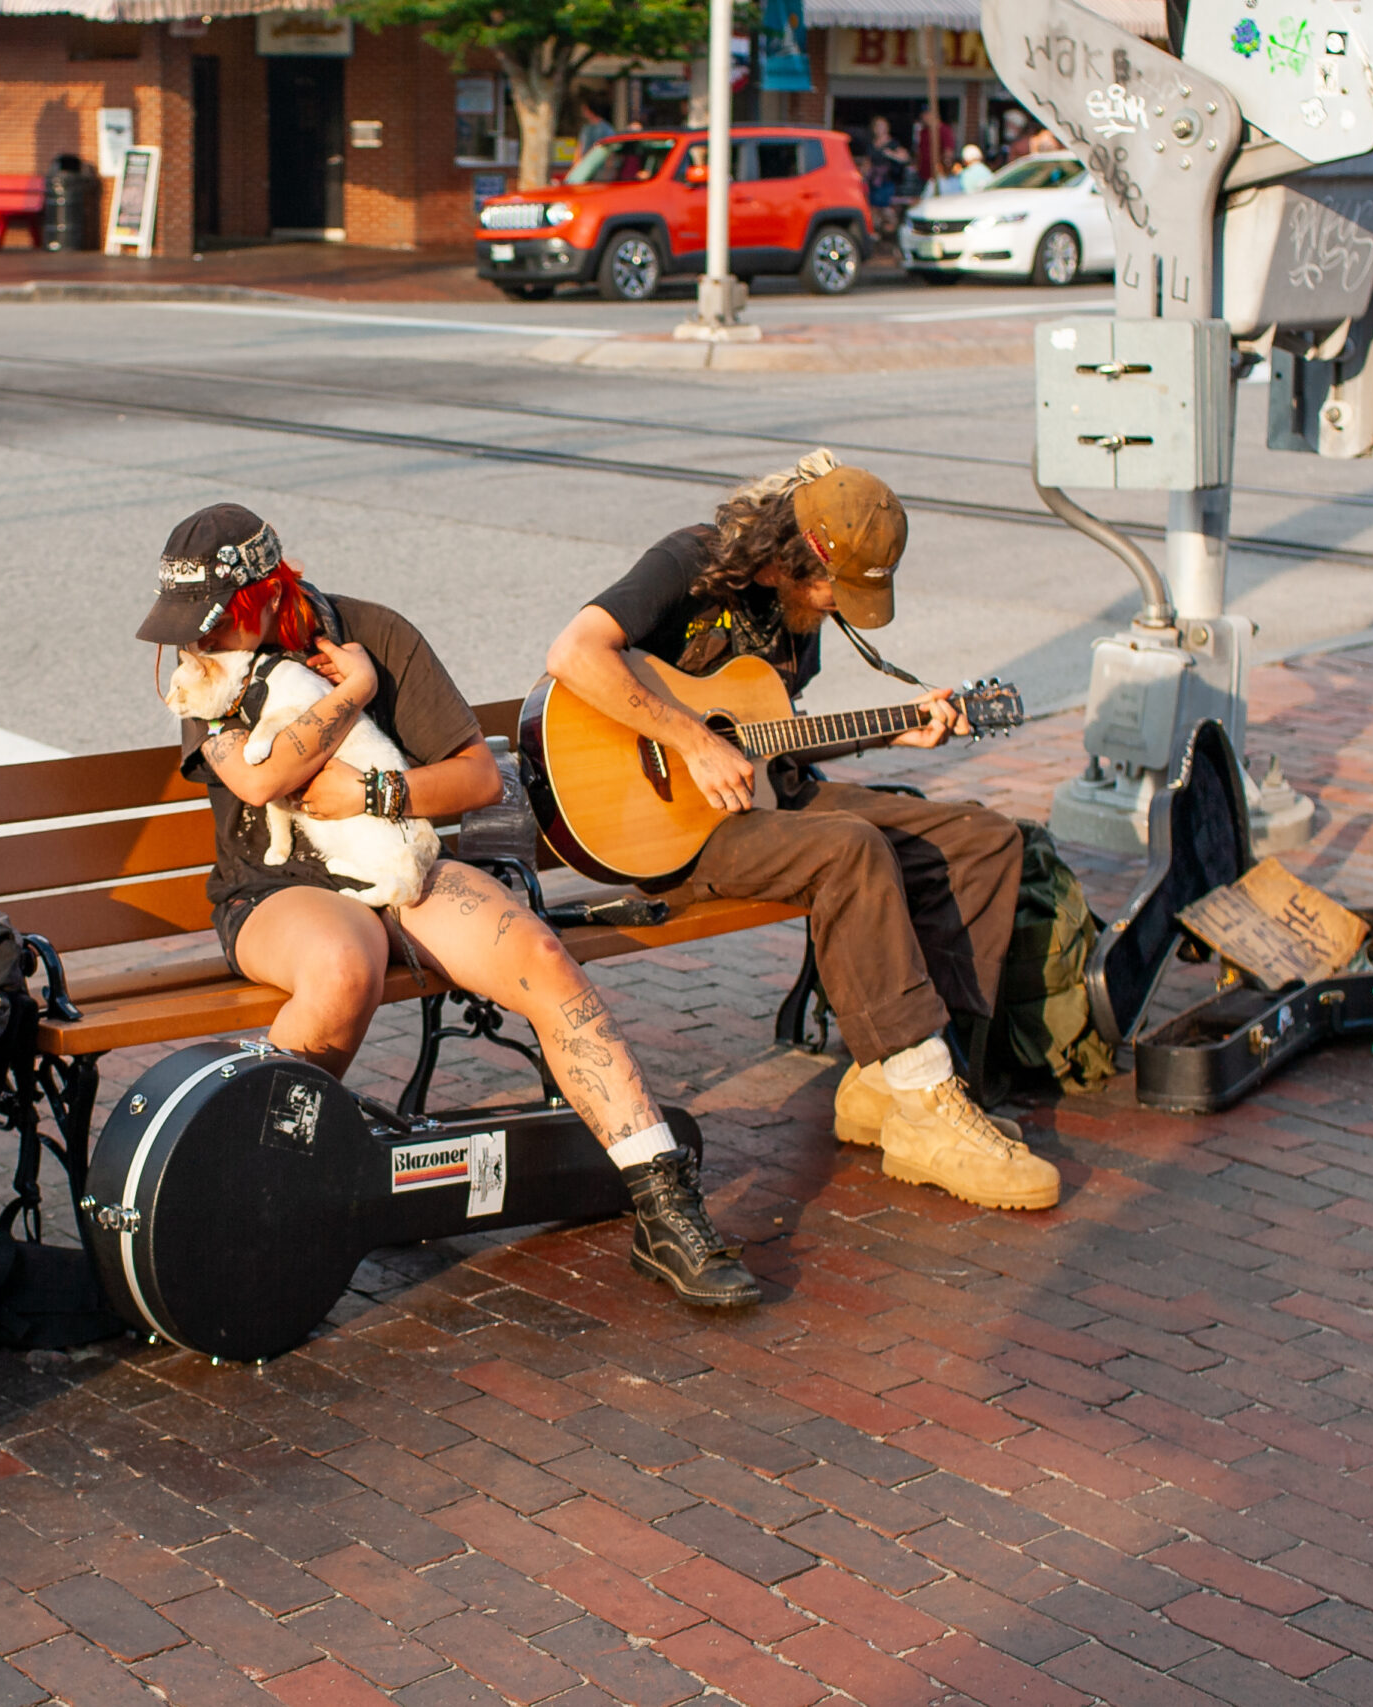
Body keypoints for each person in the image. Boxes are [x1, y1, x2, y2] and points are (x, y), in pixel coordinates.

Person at [137, 505, 762, 1307]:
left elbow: (478, 778)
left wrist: (378, 787)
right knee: (343, 962)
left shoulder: (375, 632)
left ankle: (662, 1202)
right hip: (276, 888)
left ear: (266, 593)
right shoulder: (209, 666)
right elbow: (258, 781)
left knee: (537, 956)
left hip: (399, 851)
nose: (195, 641)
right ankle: (244, 1203)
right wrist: (354, 692)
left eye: (213, 623)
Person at [544, 454, 1060, 1214]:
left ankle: (908, 1080)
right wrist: (691, 739)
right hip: (668, 830)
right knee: (851, 848)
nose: (839, 607)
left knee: (982, 837)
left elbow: (763, 734)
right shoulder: (691, 562)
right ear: (796, 557)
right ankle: (923, 1102)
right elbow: (573, 653)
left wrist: (894, 731)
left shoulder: (802, 617)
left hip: (766, 801)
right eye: (835, 589)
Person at [862, 118, 914, 240]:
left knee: (887, 208)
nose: (880, 129)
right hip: (874, 181)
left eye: (882, 126)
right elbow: (867, 162)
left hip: (888, 181)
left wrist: (890, 154)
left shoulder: (893, 144)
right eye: (877, 126)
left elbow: (905, 158)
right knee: (873, 208)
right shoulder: (872, 145)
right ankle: (876, 234)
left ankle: (892, 233)